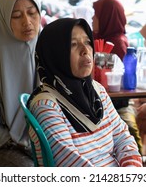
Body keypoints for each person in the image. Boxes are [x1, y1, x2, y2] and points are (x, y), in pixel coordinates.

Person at [27, 18, 142, 167]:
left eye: (88, 42)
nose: (85, 50)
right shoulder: (46, 105)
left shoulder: (96, 90)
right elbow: (71, 165)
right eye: (73, 44)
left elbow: (122, 137)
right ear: (55, 54)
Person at [92, 0, 143, 155]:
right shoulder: (93, 41)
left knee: (129, 133)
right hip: (98, 102)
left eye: (96, 14)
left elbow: (115, 80)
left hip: (116, 104)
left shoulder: (119, 44)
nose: (93, 18)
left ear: (107, 17)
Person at [0, 0, 41, 166]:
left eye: (32, 13)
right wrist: (9, 140)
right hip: (6, 143)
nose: (27, 22)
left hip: (45, 139)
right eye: (16, 16)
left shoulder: (49, 48)